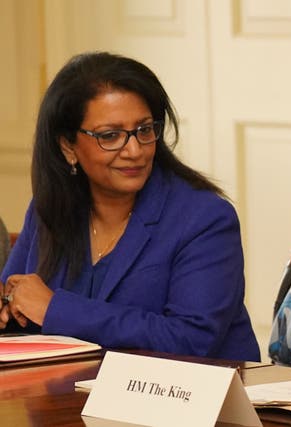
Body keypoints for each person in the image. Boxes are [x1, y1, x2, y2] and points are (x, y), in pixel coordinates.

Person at [0, 52, 260, 362]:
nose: (134, 150)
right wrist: (7, 307)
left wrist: (56, 309)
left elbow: (191, 340)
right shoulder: (48, 210)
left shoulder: (204, 218)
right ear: (68, 146)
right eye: (110, 136)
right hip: (64, 399)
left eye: (144, 130)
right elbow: (19, 310)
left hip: (186, 402)